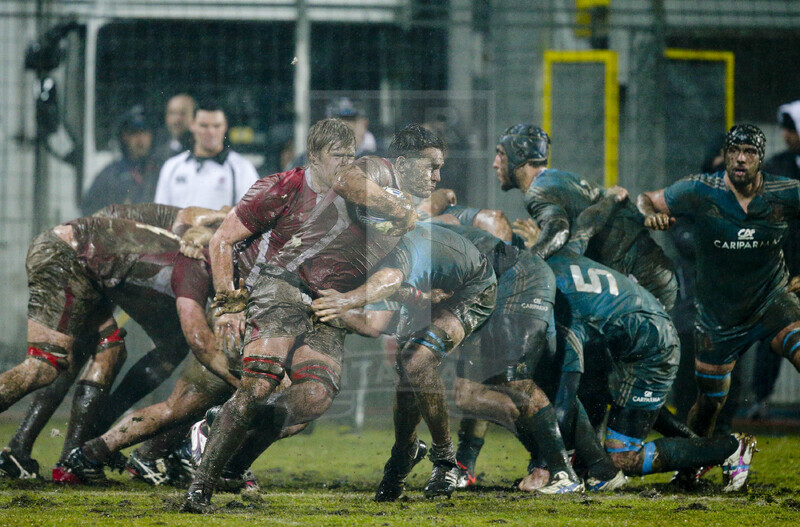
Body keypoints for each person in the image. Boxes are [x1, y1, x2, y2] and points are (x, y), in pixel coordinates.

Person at [181, 125, 434, 513]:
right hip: (278, 283)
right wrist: (229, 304)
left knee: (314, 397)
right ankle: (199, 488)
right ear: (314, 157)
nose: (347, 164)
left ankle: (226, 445)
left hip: (326, 301)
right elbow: (222, 239)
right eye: (339, 156)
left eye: (351, 156)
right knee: (261, 382)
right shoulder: (284, 186)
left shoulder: (398, 203)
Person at [540, 194, 756, 492]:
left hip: (651, 346)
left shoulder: (556, 303)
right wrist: (609, 200)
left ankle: (728, 449)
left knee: (622, 458)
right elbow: (586, 225)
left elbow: (566, 390)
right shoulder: (561, 256)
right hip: (638, 337)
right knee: (617, 402)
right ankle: (705, 449)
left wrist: (555, 464)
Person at [636, 123, 800, 485]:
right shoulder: (699, 190)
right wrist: (652, 214)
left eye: (750, 152)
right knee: (709, 403)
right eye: (734, 150)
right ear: (725, 154)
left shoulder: (785, 192)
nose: (741, 158)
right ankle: (687, 470)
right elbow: (646, 198)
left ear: (760, 157)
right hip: (718, 317)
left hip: (771, 300)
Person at [312, 222, 498, 500]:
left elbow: (376, 313)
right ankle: (402, 458)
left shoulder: (393, 246)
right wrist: (417, 296)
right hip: (428, 289)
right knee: (407, 376)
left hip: (471, 289)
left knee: (417, 362)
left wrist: (343, 302)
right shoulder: (372, 246)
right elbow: (391, 290)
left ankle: (445, 460)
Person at [494, 124, 677, 312]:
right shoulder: (556, 179)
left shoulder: (537, 191)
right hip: (650, 272)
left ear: (519, 155)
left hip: (640, 275)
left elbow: (559, 231)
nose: (495, 163)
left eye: (501, 154)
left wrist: (523, 267)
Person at [746, 101, 800, 420]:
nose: (785, 135)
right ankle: (760, 399)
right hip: (782, 266)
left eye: (791, 128)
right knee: (773, 335)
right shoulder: (777, 165)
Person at [155, 99, 259, 209]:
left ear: (225, 127)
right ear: (192, 126)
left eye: (216, 126)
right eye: (204, 126)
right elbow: (160, 215)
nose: (211, 132)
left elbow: (253, 217)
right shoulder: (172, 167)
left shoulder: (242, 169)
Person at [81, 106, 159, 215]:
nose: (140, 140)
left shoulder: (162, 171)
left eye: (144, 133)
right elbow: (89, 211)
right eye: (134, 134)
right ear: (124, 137)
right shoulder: (109, 175)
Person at [286, 97, 378, 170]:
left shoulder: (381, 159)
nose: (344, 127)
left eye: (351, 120)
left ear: (364, 124)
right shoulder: (307, 161)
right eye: (336, 122)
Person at [152, 94, 196, 168]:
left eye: (183, 113)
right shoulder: (157, 150)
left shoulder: (201, 149)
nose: (177, 119)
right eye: (172, 113)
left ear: (194, 116)